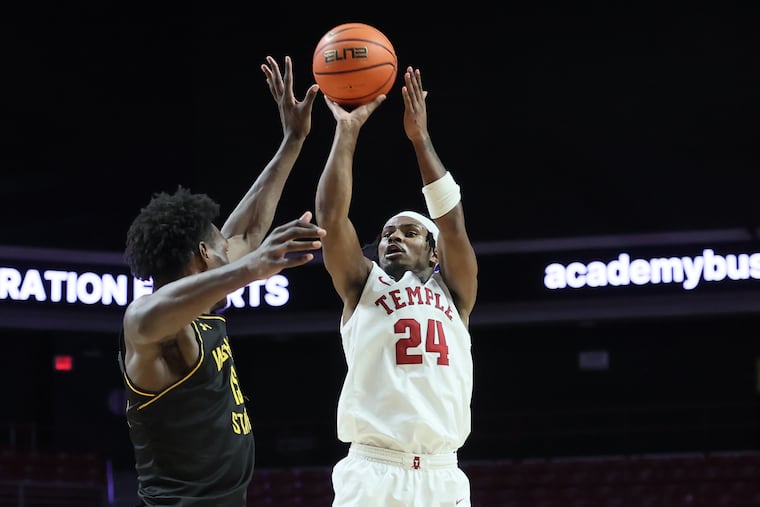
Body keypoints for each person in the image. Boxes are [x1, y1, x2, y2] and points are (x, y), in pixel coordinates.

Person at [117, 55, 324, 507]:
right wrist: (252, 269)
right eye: (222, 248)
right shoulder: (154, 327)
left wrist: (293, 140)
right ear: (203, 256)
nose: (235, 250)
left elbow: (249, 233)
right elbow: (144, 316)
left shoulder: (203, 303)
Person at [315, 65, 479, 507]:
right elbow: (331, 218)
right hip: (374, 471)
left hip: (443, 473)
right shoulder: (361, 285)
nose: (394, 237)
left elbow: (455, 226)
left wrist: (420, 140)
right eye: (388, 233)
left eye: (409, 232)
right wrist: (346, 131)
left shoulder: (456, 294)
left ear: (434, 252)